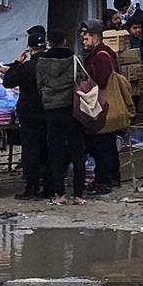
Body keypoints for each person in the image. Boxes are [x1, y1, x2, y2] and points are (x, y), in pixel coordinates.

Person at [36, 29, 86, 206]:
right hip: (72, 109)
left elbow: (39, 84)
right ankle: (78, 195)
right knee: (78, 151)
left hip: (52, 110)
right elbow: (81, 80)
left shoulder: (42, 62)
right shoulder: (74, 60)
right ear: (64, 41)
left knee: (55, 152)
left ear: (48, 43)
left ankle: (60, 195)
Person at [3, 29, 53, 200]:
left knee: (31, 151)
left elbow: (8, 82)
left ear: (30, 49)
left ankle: (31, 188)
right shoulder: (51, 65)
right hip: (49, 111)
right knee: (48, 150)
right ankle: (49, 188)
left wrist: (17, 63)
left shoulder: (26, 67)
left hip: (29, 114)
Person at [81, 19, 121, 194]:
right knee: (106, 143)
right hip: (103, 105)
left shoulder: (101, 55)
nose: (83, 38)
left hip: (101, 106)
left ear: (95, 36)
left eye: (85, 34)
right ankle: (111, 177)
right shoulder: (99, 53)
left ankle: (105, 180)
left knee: (101, 144)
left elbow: (102, 80)